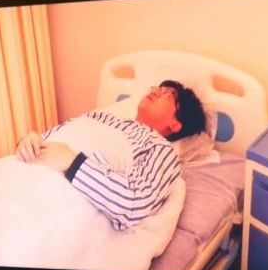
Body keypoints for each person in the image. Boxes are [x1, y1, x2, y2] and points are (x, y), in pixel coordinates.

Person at [14, 80, 206, 231]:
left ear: (175, 124)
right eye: (157, 88)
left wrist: (73, 163)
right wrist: (28, 142)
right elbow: (52, 137)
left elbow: (134, 204)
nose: (155, 90)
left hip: (48, 199)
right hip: (19, 171)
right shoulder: (100, 116)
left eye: (168, 95)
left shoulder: (161, 150)